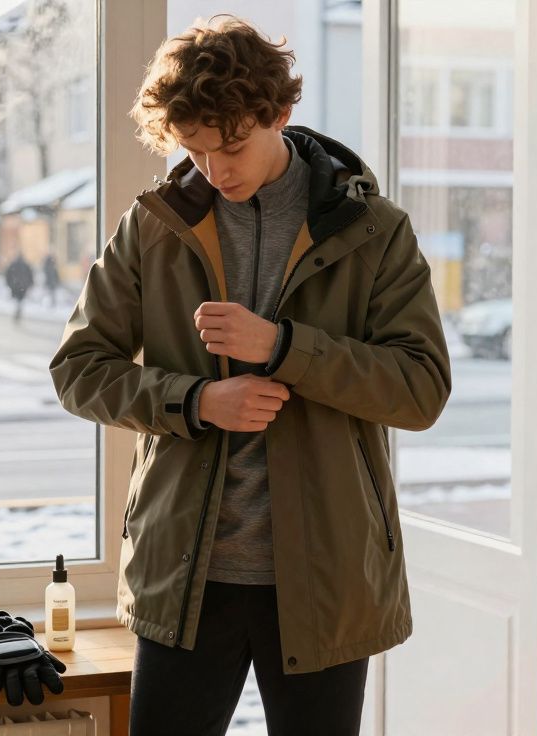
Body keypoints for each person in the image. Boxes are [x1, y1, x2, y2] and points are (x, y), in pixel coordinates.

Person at [49, 16, 451, 736]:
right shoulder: (154, 226)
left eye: (231, 146)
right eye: (193, 149)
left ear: (280, 113)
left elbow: (420, 389)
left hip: (326, 576)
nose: (214, 171)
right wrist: (198, 400)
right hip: (185, 576)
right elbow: (79, 369)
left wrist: (284, 347)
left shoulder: (373, 230)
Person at [4, 251, 35, 324]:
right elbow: (30, 275)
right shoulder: (25, 265)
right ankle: (18, 309)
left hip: (15, 285)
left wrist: (9, 283)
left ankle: (17, 309)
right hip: (23, 286)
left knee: (17, 299)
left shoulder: (13, 264)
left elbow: (8, 274)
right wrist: (30, 283)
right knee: (20, 299)